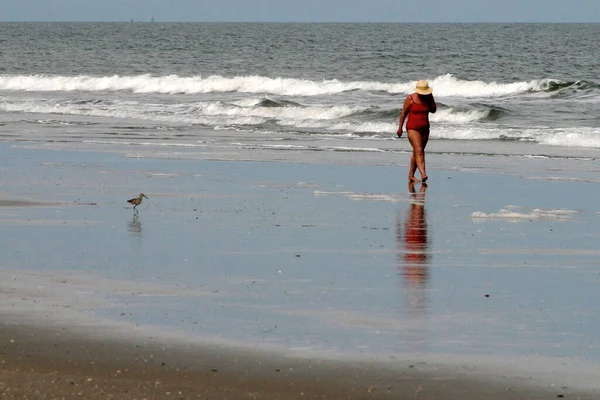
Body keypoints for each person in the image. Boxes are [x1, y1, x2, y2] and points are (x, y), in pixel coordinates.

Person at [397, 80, 437, 183]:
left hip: (425, 129)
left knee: (417, 152)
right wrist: (400, 128)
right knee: (419, 150)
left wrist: (431, 97)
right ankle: (423, 174)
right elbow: (403, 113)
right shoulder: (410, 98)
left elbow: (433, 110)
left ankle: (411, 175)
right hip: (412, 128)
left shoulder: (428, 99)